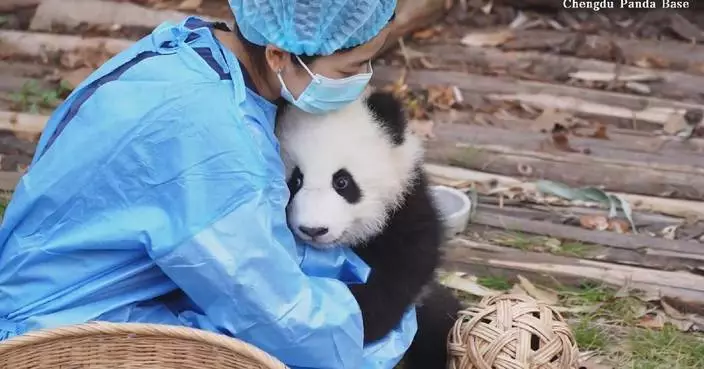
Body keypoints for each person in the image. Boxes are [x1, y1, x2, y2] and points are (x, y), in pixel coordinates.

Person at [0, 1, 418, 368]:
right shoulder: (217, 144)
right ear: (277, 54)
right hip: (63, 331)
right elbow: (277, 313)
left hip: (47, 277)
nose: (363, 79)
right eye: (350, 68)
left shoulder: (194, 49)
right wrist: (380, 310)